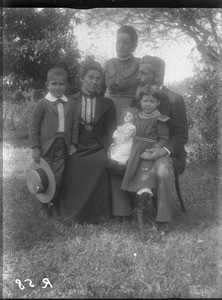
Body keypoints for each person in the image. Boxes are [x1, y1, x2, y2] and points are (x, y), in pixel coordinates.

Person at [132, 55, 188, 224]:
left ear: (156, 77)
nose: (138, 77)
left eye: (143, 73)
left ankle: (163, 220)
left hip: (167, 152)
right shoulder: (140, 96)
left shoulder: (174, 99)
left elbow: (181, 134)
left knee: (162, 168)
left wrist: (162, 151)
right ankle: (127, 210)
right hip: (142, 148)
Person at [59, 60, 116, 224]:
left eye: (98, 78)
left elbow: (110, 131)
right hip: (76, 146)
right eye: (90, 77)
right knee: (74, 164)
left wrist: (105, 149)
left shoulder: (107, 103)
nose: (94, 81)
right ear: (82, 78)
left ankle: (98, 215)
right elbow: (64, 129)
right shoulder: (69, 101)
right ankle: (73, 213)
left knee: (100, 163)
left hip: (97, 147)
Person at [101, 25, 141, 217]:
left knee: (127, 155)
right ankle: (116, 208)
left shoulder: (140, 64)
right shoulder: (107, 64)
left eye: (127, 42)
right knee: (112, 155)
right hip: (109, 114)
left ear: (134, 45)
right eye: (119, 41)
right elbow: (99, 92)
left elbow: (145, 94)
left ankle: (133, 204)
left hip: (130, 116)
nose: (122, 45)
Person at [28, 66, 78, 217]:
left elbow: (75, 124)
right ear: (47, 85)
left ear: (66, 85)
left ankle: (54, 205)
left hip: (62, 146)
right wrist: (35, 147)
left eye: (61, 84)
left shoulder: (70, 103)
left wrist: (73, 143)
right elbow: (33, 126)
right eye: (54, 84)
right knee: (43, 176)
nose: (57, 87)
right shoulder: (42, 104)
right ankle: (44, 205)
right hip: (45, 147)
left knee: (57, 178)